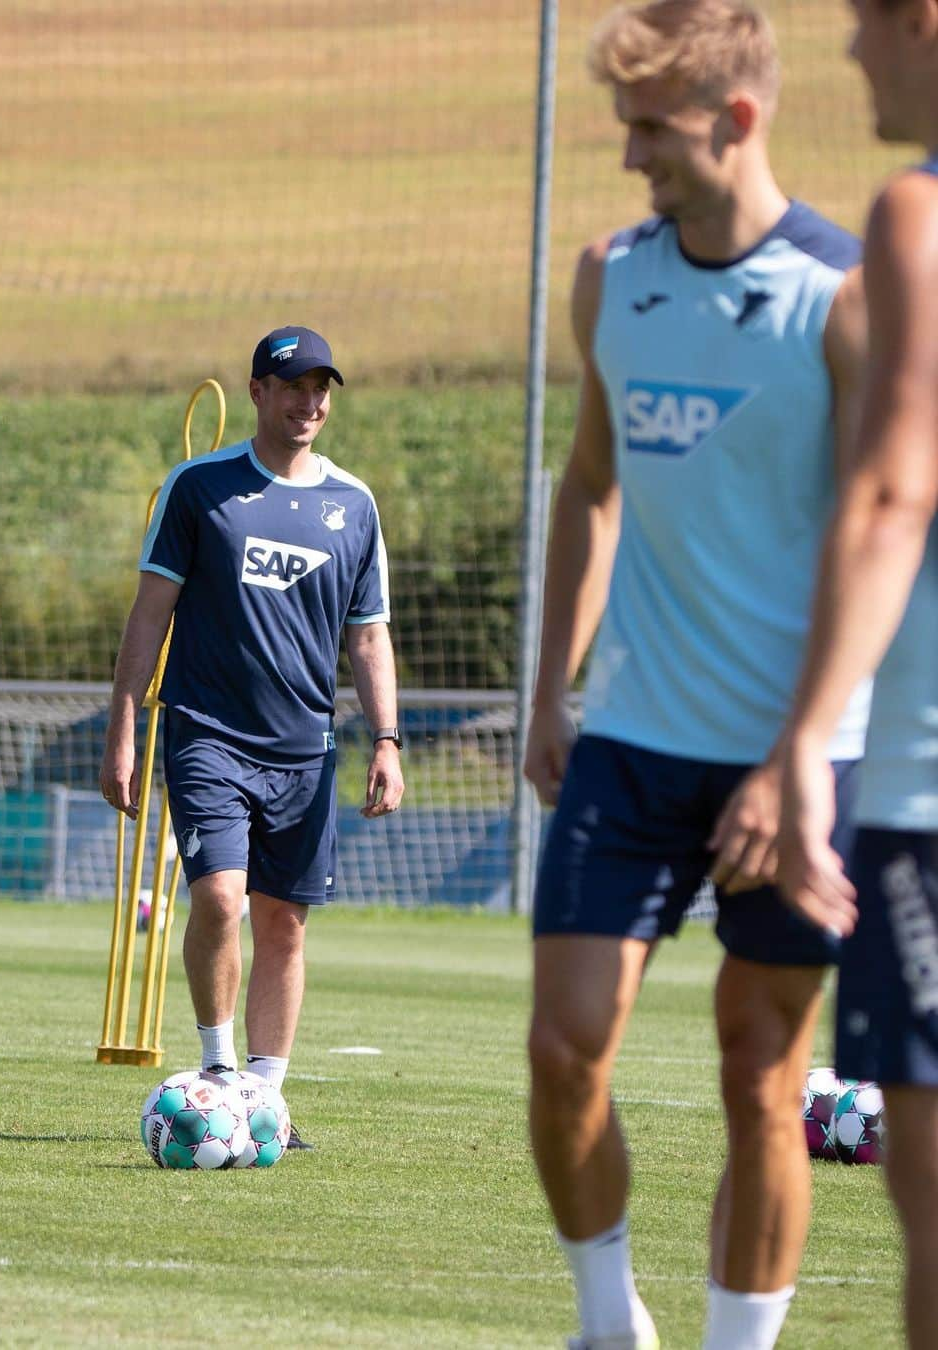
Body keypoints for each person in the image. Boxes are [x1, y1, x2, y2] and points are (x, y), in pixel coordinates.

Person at [522, 2, 870, 1345]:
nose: (629, 159)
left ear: (737, 120)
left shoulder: (841, 295)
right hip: (634, 739)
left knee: (761, 1075)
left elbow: (876, 538)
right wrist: (553, 685)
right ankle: (610, 1325)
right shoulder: (612, 276)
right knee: (563, 1054)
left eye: (650, 131)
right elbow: (595, 483)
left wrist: (800, 756)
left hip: (803, 755)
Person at [100, 325, 404, 1148]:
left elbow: (368, 636)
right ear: (259, 392)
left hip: (305, 749)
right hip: (208, 735)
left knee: (286, 923)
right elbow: (150, 614)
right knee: (221, 900)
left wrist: (387, 739)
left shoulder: (355, 503)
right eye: (293, 385)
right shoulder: (199, 487)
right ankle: (221, 1071)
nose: (310, 401)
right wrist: (123, 725)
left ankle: (267, 1099)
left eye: (322, 387)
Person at [777, 0, 938, 1343]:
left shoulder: (914, 217)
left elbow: (891, 498)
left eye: (863, 22)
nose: (850, 53)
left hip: (923, 785)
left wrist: (806, 734)